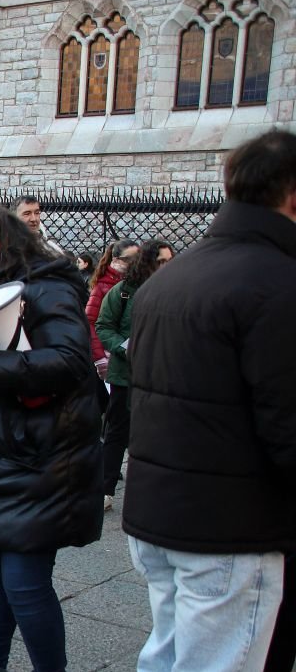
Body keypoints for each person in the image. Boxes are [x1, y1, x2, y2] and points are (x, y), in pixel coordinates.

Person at [123, 130, 296, 672]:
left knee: (169, 655)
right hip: (230, 526)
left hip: (163, 512)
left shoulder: (173, 278)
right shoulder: (278, 282)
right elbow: (287, 422)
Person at [0, 205, 103, 672]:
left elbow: (72, 364)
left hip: (40, 460)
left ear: (5, 240)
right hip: (0, 456)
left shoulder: (46, 288)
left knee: (24, 582)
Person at [94, 238, 173, 512]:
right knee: (117, 431)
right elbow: (103, 325)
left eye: (168, 261)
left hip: (163, 376)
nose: (165, 266)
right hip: (126, 374)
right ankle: (105, 488)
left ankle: (154, 489)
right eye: (159, 261)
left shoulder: (177, 291)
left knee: (159, 432)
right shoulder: (123, 292)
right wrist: (122, 346)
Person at [85, 239, 138, 378]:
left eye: (138, 258)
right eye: (129, 259)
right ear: (116, 259)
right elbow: (91, 322)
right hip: (109, 354)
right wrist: (100, 358)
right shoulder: (103, 285)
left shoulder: (140, 283)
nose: (135, 262)